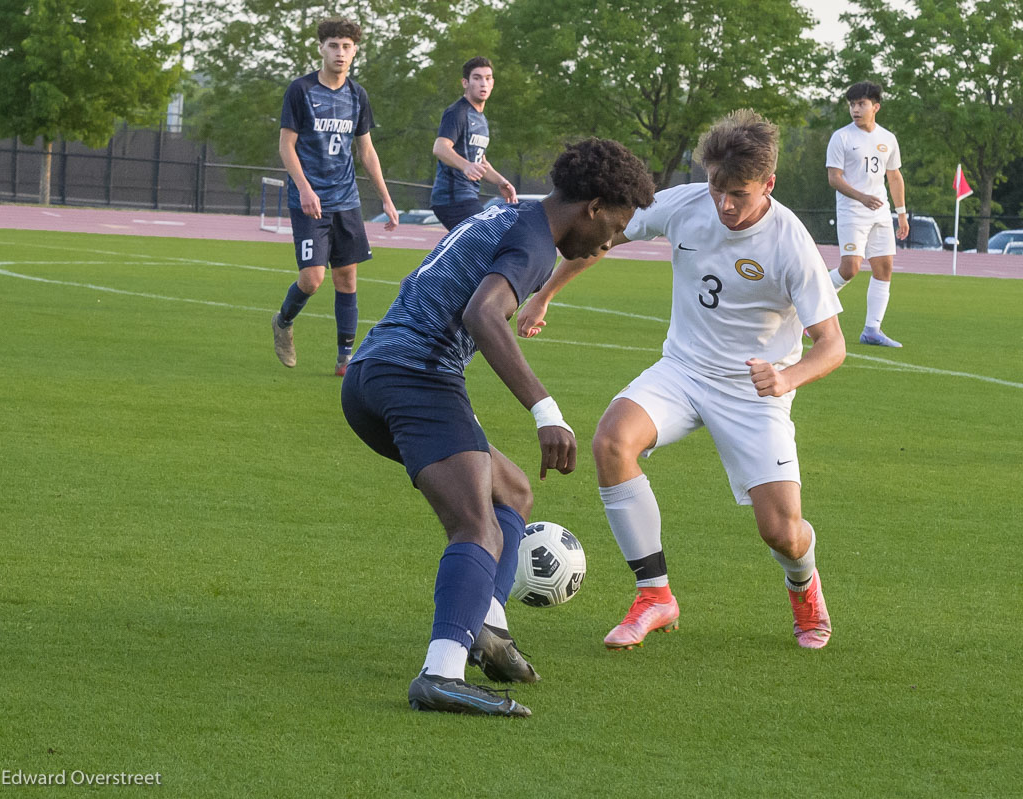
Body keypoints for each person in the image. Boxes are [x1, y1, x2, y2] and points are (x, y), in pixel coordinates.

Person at [342, 139, 655, 716]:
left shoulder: (511, 212)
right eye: (616, 223)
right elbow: (482, 314)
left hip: (374, 375)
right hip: (415, 378)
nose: (612, 240)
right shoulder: (536, 240)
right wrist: (547, 412)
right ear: (592, 206)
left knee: (511, 490)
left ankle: (489, 628)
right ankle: (441, 674)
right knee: (476, 529)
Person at [517, 110, 846, 652]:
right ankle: (654, 595)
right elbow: (602, 238)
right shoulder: (686, 203)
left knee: (782, 533)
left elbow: (831, 345)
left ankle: (804, 585)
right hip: (682, 371)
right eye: (717, 188)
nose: (724, 204)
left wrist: (787, 378)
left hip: (752, 393)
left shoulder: (791, 244)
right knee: (611, 441)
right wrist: (545, 293)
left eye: (738, 193)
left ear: (769, 184)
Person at [271, 17, 399, 377]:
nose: (340, 52)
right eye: (333, 45)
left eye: (346, 46)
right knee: (312, 279)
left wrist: (386, 199)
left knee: (347, 278)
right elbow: (286, 146)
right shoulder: (301, 90)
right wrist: (305, 188)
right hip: (309, 201)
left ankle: (345, 359)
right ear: (321, 48)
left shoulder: (358, 95)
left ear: (355, 50)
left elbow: (367, 151)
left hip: (347, 201)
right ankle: (283, 322)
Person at [825, 81, 909, 347]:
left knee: (884, 268)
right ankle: (809, 307)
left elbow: (894, 177)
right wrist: (861, 197)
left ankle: (872, 329)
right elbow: (833, 178)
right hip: (852, 211)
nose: (855, 110)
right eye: (852, 105)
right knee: (850, 269)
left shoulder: (888, 139)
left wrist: (902, 214)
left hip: (880, 213)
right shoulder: (842, 137)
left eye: (861, 104)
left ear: (876, 107)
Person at [429, 57, 517, 230]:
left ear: (492, 83)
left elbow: (481, 162)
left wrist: (501, 181)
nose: (483, 83)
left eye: (488, 78)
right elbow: (440, 147)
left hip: (467, 197)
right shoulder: (457, 112)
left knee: (483, 246)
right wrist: (466, 166)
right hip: (452, 198)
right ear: (465, 83)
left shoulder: (481, 119)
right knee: (490, 237)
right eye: (477, 78)